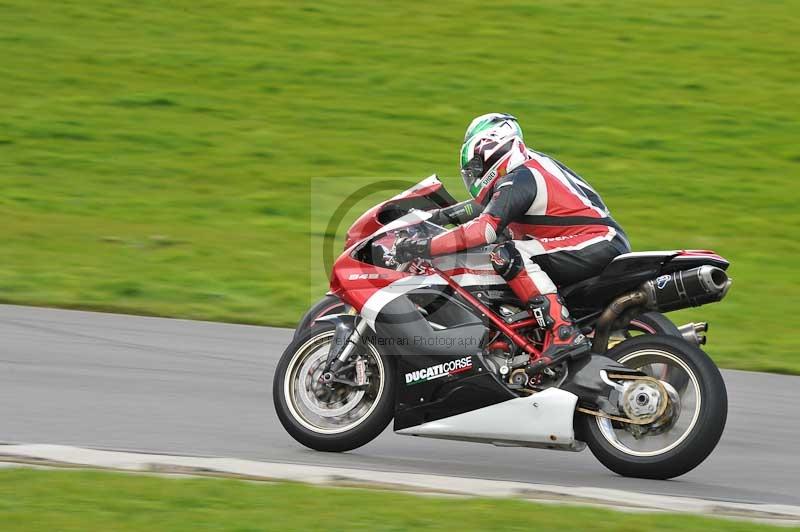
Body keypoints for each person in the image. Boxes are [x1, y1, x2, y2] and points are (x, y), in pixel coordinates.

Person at [395, 113, 631, 368]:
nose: (474, 175)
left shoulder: (522, 176)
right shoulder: (525, 170)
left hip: (594, 242)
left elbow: (482, 229)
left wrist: (423, 247)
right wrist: (435, 217)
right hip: (590, 241)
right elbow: (482, 208)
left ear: (493, 150)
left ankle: (562, 333)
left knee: (507, 254)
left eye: (475, 168)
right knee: (496, 253)